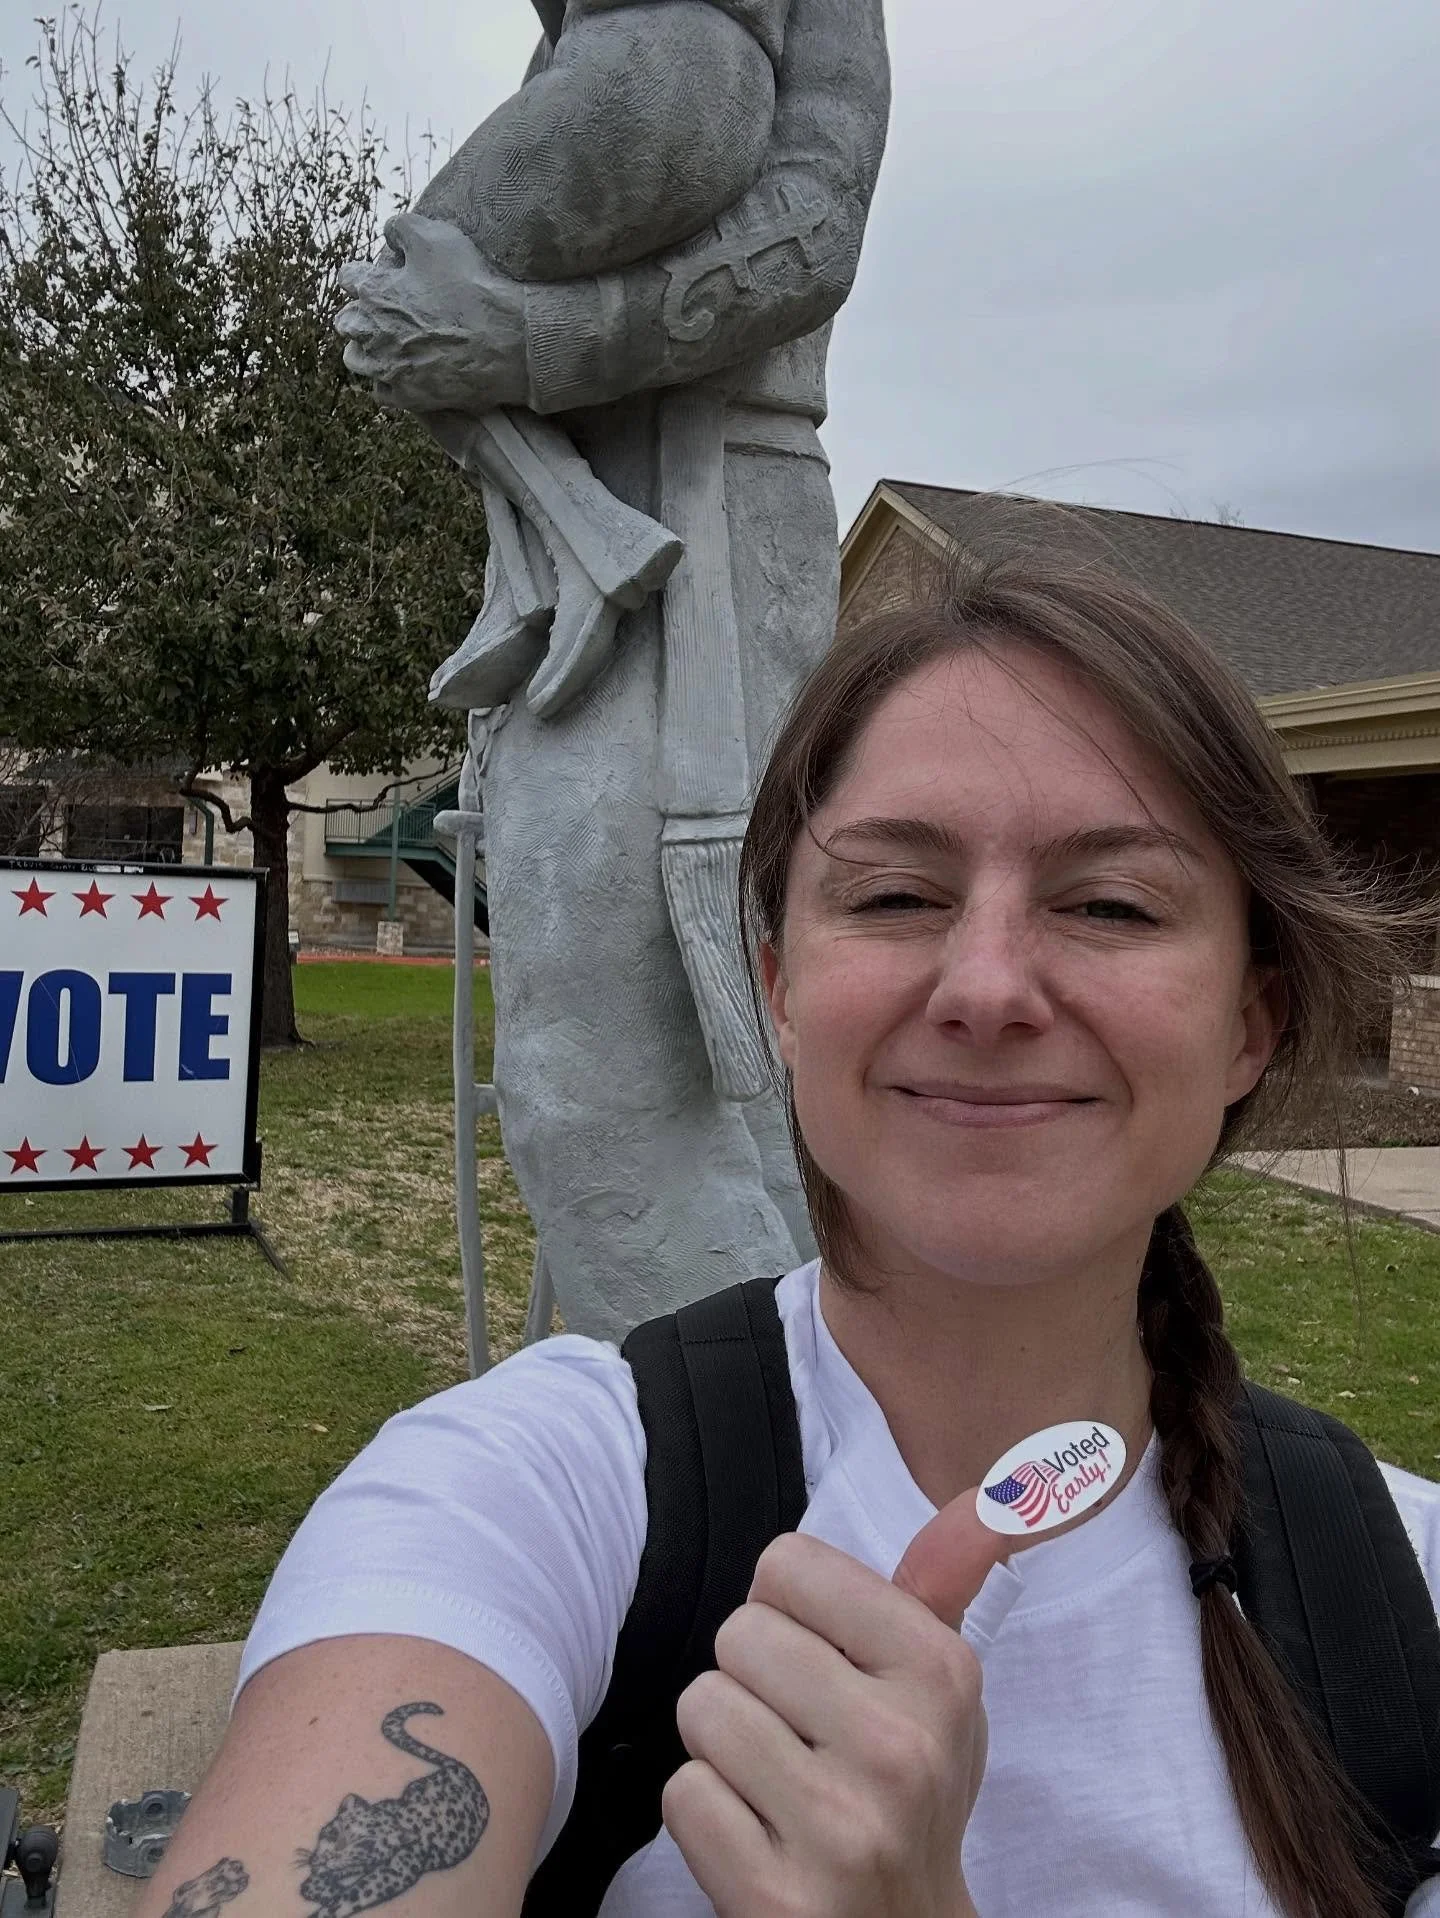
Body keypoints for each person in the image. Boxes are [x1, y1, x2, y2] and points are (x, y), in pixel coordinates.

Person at [134, 537, 1440, 1918]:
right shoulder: (537, 1493)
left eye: (1110, 902)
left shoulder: (1401, 1595)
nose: (987, 987)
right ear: (776, 988)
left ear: (1251, 1019)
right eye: (895, 895)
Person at [334, 0, 891, 1343]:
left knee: (622, 1083)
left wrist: (521, 346)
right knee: (678, 1086)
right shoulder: (600, 60)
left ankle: (784, 1490)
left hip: (714, 520)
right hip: (596, 532)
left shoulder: (715, 55)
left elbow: (809, 233)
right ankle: (723, 1459)